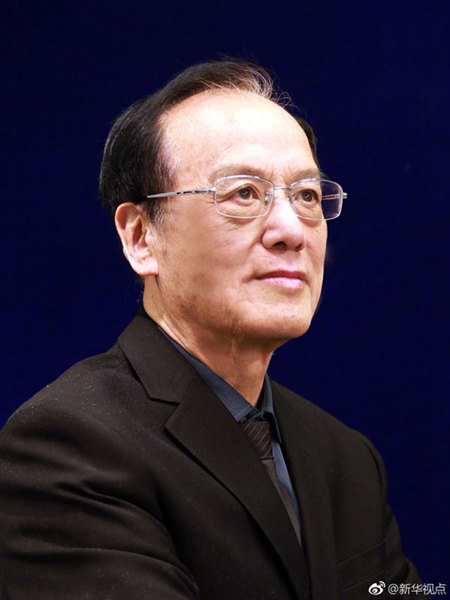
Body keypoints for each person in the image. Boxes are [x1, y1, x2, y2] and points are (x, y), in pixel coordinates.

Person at [0, 60, 423, 599]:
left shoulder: (347, 458)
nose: (291, 230)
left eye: (307, 196)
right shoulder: (69, 444)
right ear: (141, 237)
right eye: (244, 192)